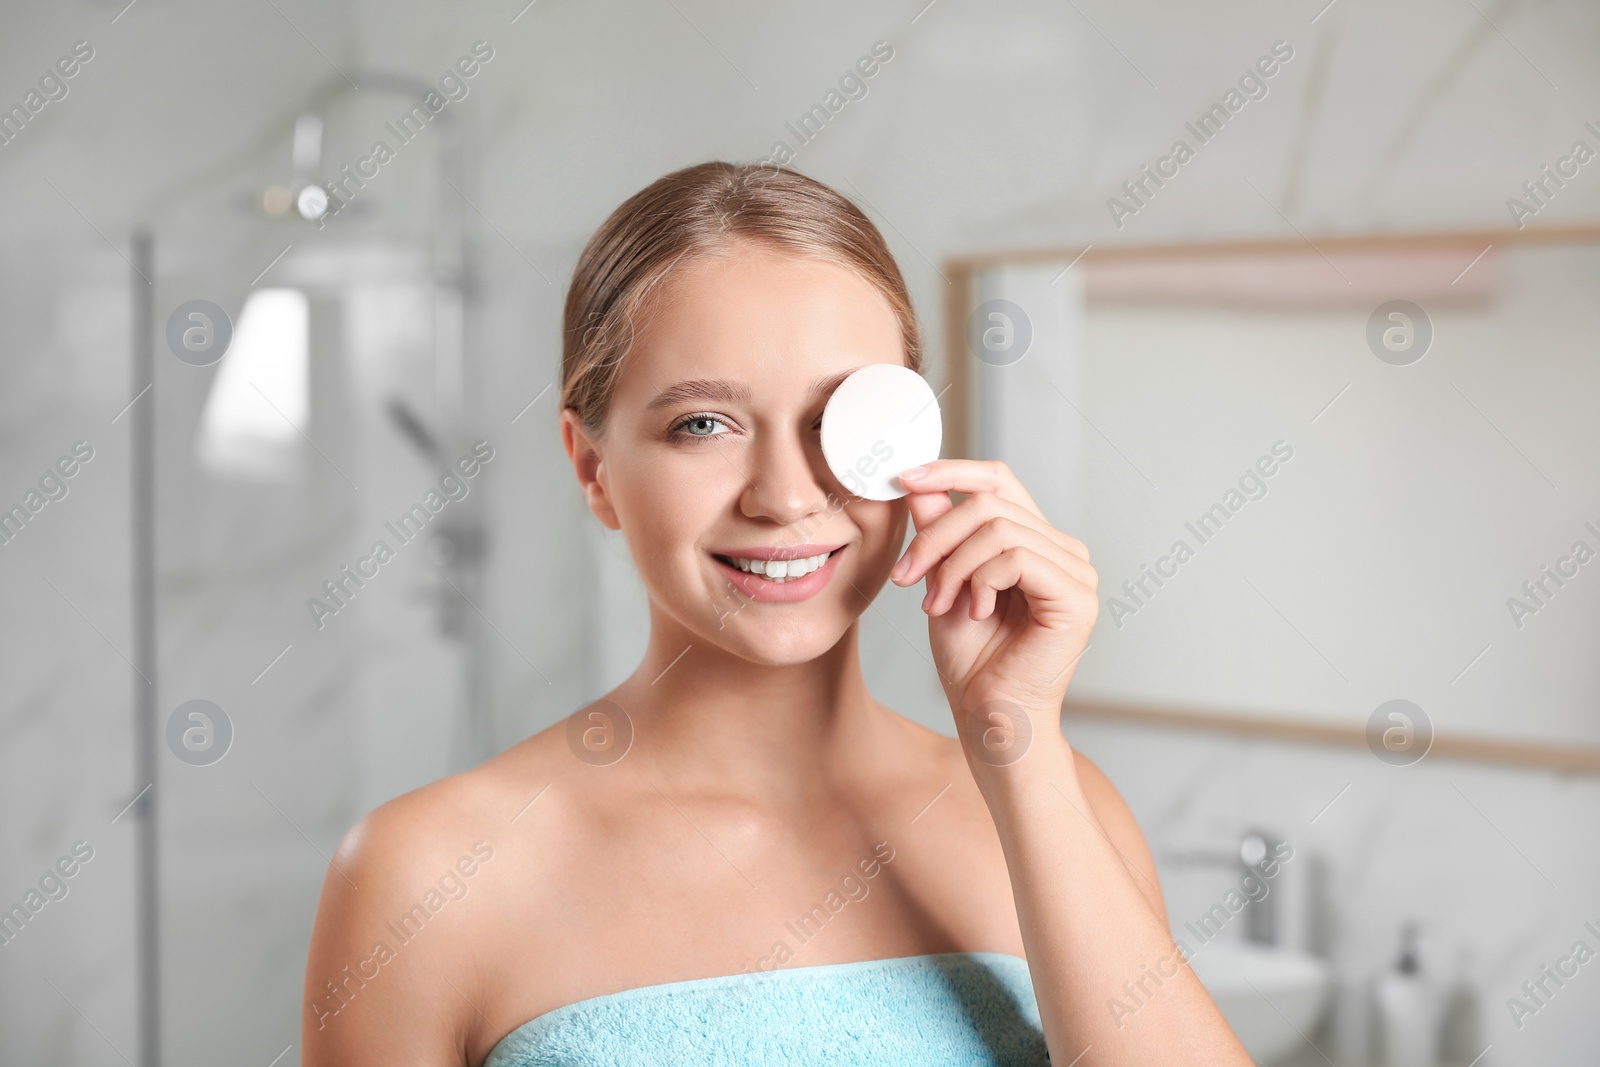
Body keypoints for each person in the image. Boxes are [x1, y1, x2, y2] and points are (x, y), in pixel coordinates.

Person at [301, 160, 1252, 1066]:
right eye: (702, 425)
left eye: (842, 420)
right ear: (593, 468)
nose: (787, 496)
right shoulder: (424, 879)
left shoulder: (1057, 806)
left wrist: (1019, 741)